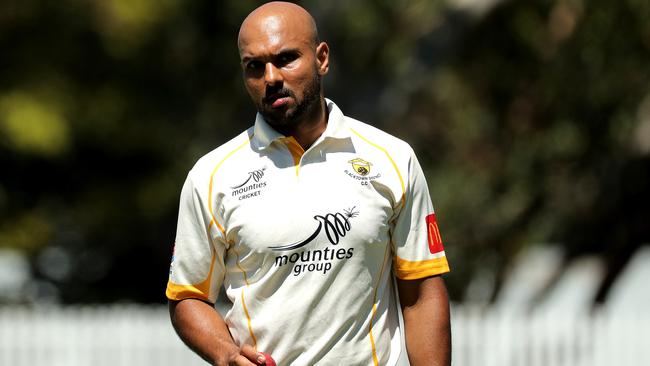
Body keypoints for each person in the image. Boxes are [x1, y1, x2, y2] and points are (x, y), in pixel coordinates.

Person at [166, 2, 451, 365]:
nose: (270, 78)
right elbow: (187, 296)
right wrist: (226, 354)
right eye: (255, 66)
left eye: (285, 59)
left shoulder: (392, 159)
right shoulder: (210, 177)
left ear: (322, 58)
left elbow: (422, 293)